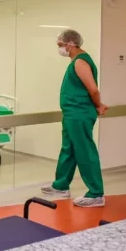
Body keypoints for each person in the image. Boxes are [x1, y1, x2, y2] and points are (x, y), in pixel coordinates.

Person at [42, 29, 108, 207]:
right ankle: (61, 185)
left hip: (79, 114)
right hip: (72, 113)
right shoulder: (76, 61)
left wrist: (98, 105)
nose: (59, 48)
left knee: (84, 151)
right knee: (68, 149)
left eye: (60, 45)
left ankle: (96, 193)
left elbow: (93, 90)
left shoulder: (80, 62)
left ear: (70, 44)